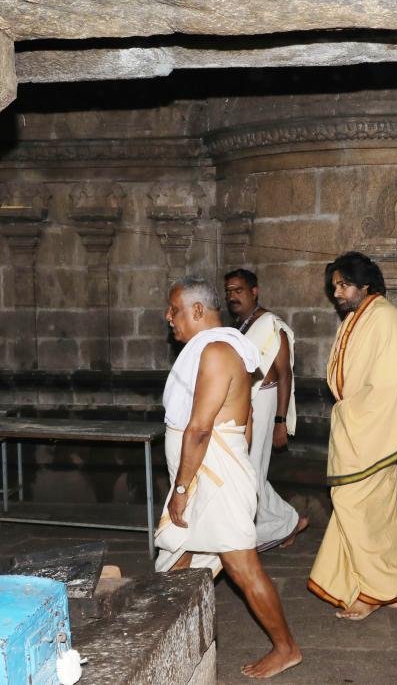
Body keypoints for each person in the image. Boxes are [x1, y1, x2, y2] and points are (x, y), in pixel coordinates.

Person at [155, 275, 301, 678]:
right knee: (174, 561)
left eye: (175, 310)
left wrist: (183, 489)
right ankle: (168, 645)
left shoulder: (218, 351)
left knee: (242, 567)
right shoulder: (214, 349)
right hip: (210, 471)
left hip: (211, 477)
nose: (169, 318)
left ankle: (286, 648)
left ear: (198, 310)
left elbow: (201, 427)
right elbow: (245, 420)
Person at [308, 252, 397, 620]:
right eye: (334, 288)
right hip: (355, 426)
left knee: (359, 510)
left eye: (344, 285)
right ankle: (392, 586)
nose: (338, 294)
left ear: (365, 285)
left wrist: (356, 416)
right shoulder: (358, 317)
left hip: (370, 431)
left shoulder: (384, 318)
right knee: (373, 511)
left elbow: (387, 384)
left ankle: (374, 591)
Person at [224, 268, 309, 552]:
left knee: (250, 469)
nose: (232, 296)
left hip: (265, 400)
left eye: (238, 290)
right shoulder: (242, 325)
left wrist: (280, 421)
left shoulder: (271, 324)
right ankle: (285, 523)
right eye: (229, 291)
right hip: (245, 403)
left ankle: (285, 523)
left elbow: (285, 374)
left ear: (254, 291)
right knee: (248, 469)